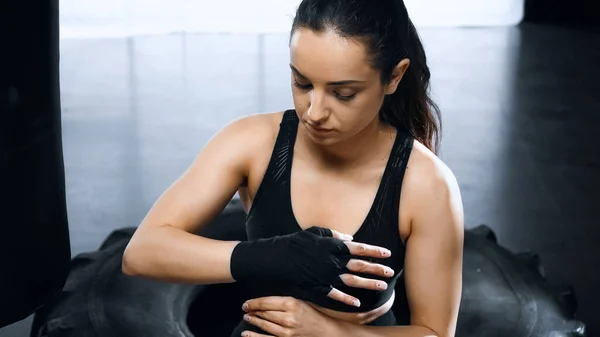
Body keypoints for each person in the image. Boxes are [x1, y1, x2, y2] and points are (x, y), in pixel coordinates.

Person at [122, 0, 464, 336]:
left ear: (393, 77)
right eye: (302, 83)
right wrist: (277, 256)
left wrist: (328, 332)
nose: (314, 112)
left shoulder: (427, 185)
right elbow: (141, 253)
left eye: (343, 93)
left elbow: (434, 331)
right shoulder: (252, 143)